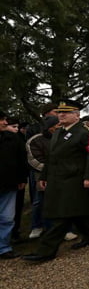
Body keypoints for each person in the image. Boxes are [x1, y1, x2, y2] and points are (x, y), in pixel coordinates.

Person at [22, 99, 89, 263]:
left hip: (75, 179)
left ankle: (46, 251)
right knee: (75, 212)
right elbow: (51, 157)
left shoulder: (86, 132)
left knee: (62, 216)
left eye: (66, 112)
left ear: (77, 115)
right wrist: (44, 176)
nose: (61, 115)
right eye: (59, 112)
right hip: (57, 179)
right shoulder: (58, 132)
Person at [0, 111, 28, 259]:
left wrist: (22, 179)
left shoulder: (13, 138)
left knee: (7, 217)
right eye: (2, 120)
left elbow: (22, 159)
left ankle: (3, 248)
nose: (5, 122)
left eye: (5, 119)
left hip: (9, 185)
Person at [25, 115, 59, 238]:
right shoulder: (35, 140)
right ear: (50, 127)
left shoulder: (62, 137)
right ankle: (37, 226)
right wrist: (50, 170)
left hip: (61, 174)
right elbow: (33, 159)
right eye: (56, 125)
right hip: (41, 174)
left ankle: (63, 228)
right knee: (40, 201)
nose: (59, 127)